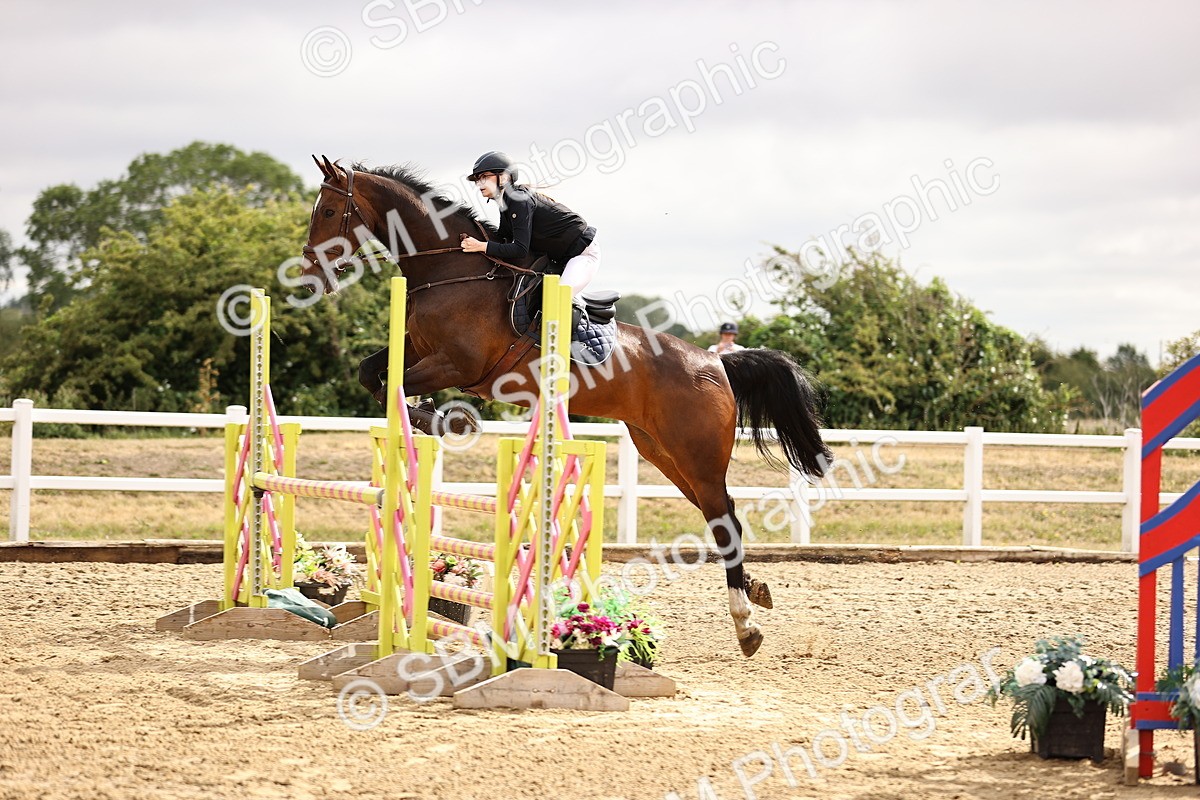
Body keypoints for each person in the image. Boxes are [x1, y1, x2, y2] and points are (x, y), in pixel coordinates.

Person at [461, 151, 600, 294]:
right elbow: (502, 239)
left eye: (484, 177)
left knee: (557, 296)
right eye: (478, 179)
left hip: (582, 254)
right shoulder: (506, 204)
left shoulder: (518, 200)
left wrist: (481, 246)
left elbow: (520, 249)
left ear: (504, 177)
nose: (479, 183)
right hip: (559, 259)